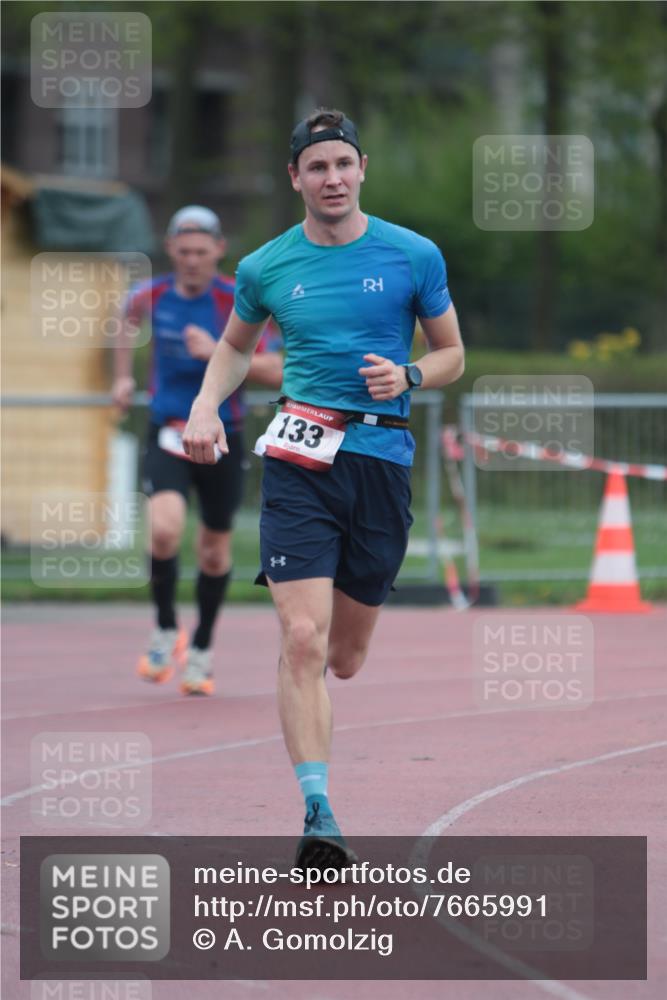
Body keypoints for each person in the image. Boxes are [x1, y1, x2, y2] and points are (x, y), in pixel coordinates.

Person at [182, 110, 464, 866]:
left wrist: (406, 374)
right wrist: (206, 404)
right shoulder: (265, 266)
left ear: (361, 167)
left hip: (379, 458)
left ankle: (323, 766)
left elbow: (452, 355)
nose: (331, 178)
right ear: (295, 178)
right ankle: (317, 811)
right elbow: (235, 352)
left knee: (343, 656)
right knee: (299, 639)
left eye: (342, 164)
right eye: (317, 168)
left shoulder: (412, 254)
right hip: (299, 460)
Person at [112, 205, 282, 696]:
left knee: (213, 551)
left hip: (222, 433)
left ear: (219, 252)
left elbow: (275, 366)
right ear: (170, 250)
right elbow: (125, 318)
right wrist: (124, 377)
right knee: (163, 530)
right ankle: (167, 627)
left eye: (201, 253)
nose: (191, 261)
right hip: (168, 427)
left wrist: (218, 352)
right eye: (183, 252)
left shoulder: (237, 299)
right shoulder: (153, 294)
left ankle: (203, 648)